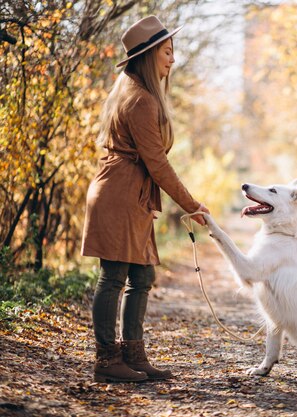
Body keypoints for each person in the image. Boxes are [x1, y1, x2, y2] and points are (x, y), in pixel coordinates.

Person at [81, 15, 210, 383]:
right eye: (168, 52)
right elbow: (158, 164)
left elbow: (152, 164)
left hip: (126, 193)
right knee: (114, 277)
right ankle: (107, 360)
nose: (172, 60)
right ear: (151, 54)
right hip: (120, 195)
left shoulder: (134, 91)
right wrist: (192, 205)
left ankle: (134, 356)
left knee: (142, 275)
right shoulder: (140, 100)